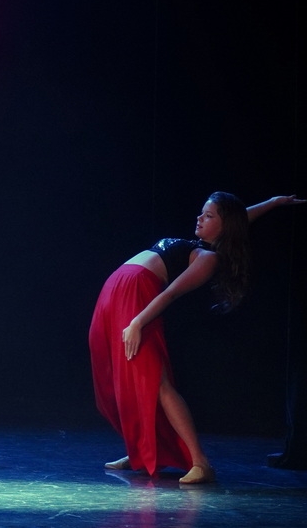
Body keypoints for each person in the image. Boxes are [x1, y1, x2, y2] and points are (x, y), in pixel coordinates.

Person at [90, 192, 303, 483]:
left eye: (209, 215)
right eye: (202, 213)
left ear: (224, 226)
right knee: (122, 378)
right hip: (118, 291)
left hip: (137, 298)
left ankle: (201, 463)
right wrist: (272, 203)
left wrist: (138, 321)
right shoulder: (199, 246)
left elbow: (171, 293)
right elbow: (238, 218)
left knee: (154, 380)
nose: (200, 218)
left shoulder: (208, 258)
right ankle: (142, 452)